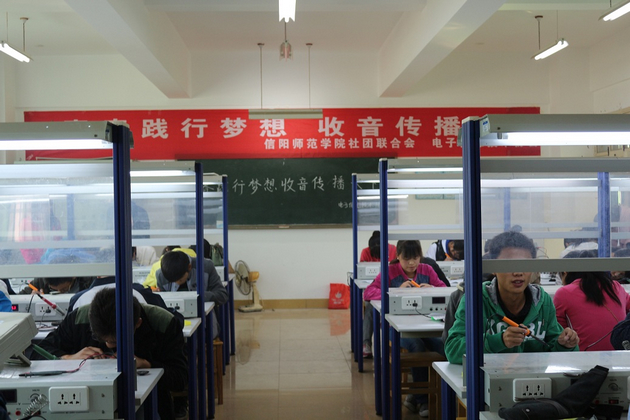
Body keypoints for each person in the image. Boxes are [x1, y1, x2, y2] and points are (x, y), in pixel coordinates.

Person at [37, 288, 188, 420]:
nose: (109, 346)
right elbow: (39, 352)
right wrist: (68, 358)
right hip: (88, 403)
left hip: (149, 405)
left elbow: (181, 378)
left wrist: (147, 364)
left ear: (138, 323)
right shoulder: (79, 319)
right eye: (101, 339)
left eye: (115, 341)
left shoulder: (163, 323)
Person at [445, 231, 579, 365]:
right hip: (489, 376)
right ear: (493, 268)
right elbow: (453, 349)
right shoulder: (476, 300)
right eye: (509, 265)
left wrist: (565, 344)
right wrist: (499, 341)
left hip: (534, 377)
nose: (518, 273)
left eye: (524, 265)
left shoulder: (542, 301)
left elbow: (553, 349)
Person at [364, 240, 447, 417]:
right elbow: (369, 292)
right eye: (406, 259)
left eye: (415, 258)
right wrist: (395, 291)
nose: (411, 263)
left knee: (444, 344)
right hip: (396, 327)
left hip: (425, 323)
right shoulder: (390, 271)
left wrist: (432, 289)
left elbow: (444, 289)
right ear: (398, 257)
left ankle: (445, 396)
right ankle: (422, 400)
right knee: (416, 346)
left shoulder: (427, 270)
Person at [553, 249, 630, 351]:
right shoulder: (616, 287)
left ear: (566, 272)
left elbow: (558, 335)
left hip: (583, 356)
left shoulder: (564, 293)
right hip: (620, 355)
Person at [156, 250, 228, 339]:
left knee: (198, 339)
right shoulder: (162, 274)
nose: (176, 283)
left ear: (189, 267)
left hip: (203, 324)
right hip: (175, 325)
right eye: (173, 281)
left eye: (180, 280)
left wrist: (199, 297)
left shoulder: (206, 266)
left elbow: (222, 295)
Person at [19, 276, 91, 295]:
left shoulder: (88, 282)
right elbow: (18, 298)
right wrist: (31, 299)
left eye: (64, 289)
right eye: (53, 290)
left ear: (74, 277)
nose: (59, 292)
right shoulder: (41, 281)